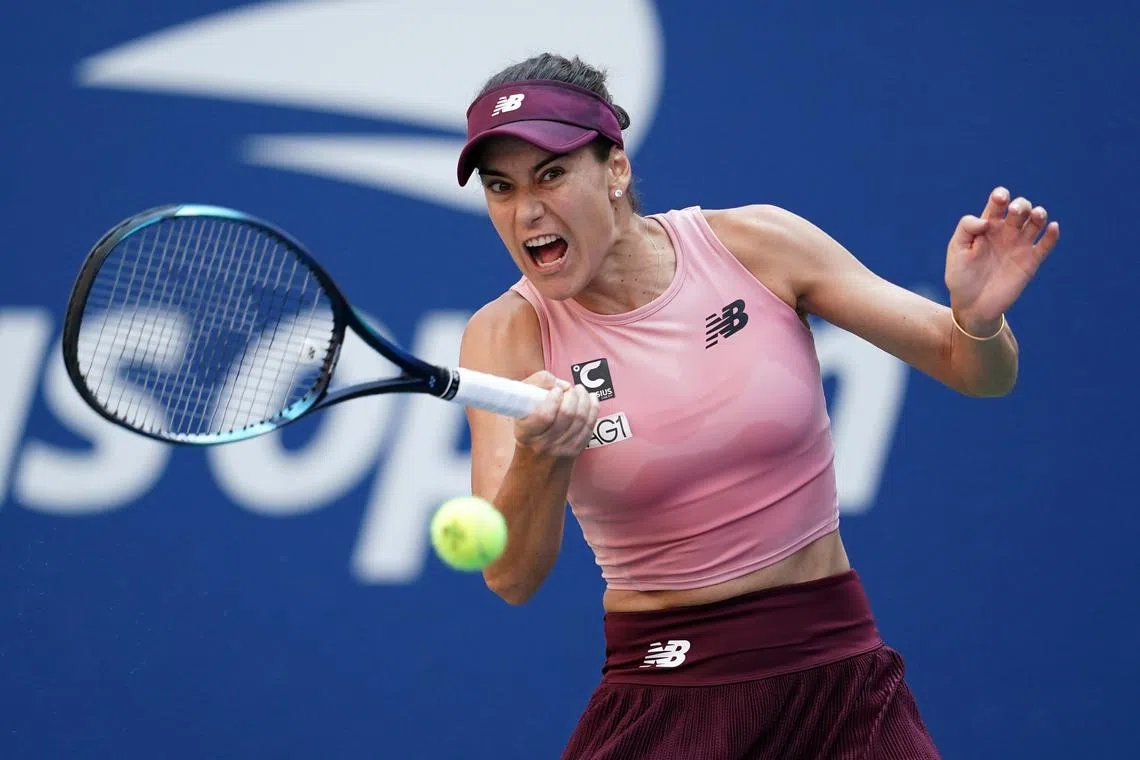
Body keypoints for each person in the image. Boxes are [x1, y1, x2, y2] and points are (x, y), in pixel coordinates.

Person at [455, 53, 1059, 760]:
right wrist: (541, 453)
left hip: (841, 685)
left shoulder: (758, 246)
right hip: (666, 698)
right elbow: (511, 576)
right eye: (501, 187)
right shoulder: (503, 336)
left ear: (615, 169)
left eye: (550, 174)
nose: (526, 211)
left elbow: (976, 372)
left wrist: (978, 322)